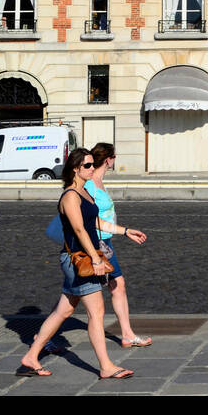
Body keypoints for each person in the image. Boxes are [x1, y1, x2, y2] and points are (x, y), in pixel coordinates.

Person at [19, 149, 133, 379]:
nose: (93, 168)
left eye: (93, 164)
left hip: (82, 259)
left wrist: (125, 231)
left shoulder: (85, 193)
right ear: (75, 169)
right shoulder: (71, 196)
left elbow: (95, 222)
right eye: (88, 165)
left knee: (64, 310)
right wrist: (95, 258)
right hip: (79, 260)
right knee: (97, 312)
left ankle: (31, 357)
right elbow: (79, 230)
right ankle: (106, 366)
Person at [84, 143, 152, 348]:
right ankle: (127, 334)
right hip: (95, 243)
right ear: (108, 159)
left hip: (105, 240)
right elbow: (87, 218)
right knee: (74, 297)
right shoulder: (90, 185)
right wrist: (124, 230)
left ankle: (127, 333)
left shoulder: (99, 181)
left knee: (114, 285)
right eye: (114, 157)